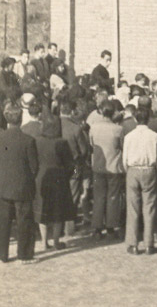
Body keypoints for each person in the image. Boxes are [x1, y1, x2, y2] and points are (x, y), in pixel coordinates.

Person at [0, 103, 38, 263]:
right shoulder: (28, 140)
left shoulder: (1, 138)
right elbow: (34, 167)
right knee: (24, 221)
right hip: (23, 186)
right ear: (21, 119)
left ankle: (2, 254)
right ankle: (24, 254)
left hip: (3, 186)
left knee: (3, 221)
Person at [122, 107, 157, 256]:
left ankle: (133, 244)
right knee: (149, 207)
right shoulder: (155, 136)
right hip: (149, 169)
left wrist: (129, 171)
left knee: (132, 208)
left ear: (135, 119)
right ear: (149, 119)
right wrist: (155, 170)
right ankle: (149, 244)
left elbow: (124, 159)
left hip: (133, 169)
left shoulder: (129, 136)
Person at [33, 113, 76, 251]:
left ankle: (44, 242)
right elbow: (70, 164)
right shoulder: (62, 143)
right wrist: (67, 175)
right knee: (58, 212)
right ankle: (56, 241)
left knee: (42, 211)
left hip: (41, 178)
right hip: (59, 179)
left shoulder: (36, 141)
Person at [88, 100, 125, 238]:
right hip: (114, 166)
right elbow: (122, 146)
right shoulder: (118, 129)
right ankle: (111, 226)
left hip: (98, 166)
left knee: (98, 197)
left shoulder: (93, 128)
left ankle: (97, 227)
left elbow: (91, 144)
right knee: (113, 197)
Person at [59, 98, 91, 235]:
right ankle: (69, 227)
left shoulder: (53, 125)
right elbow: (83, 150)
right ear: (72, 112)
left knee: (59, 194)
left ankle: (59, 226)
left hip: (58, 165)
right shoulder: (75, 128)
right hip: (75, 165)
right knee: (73, 194)